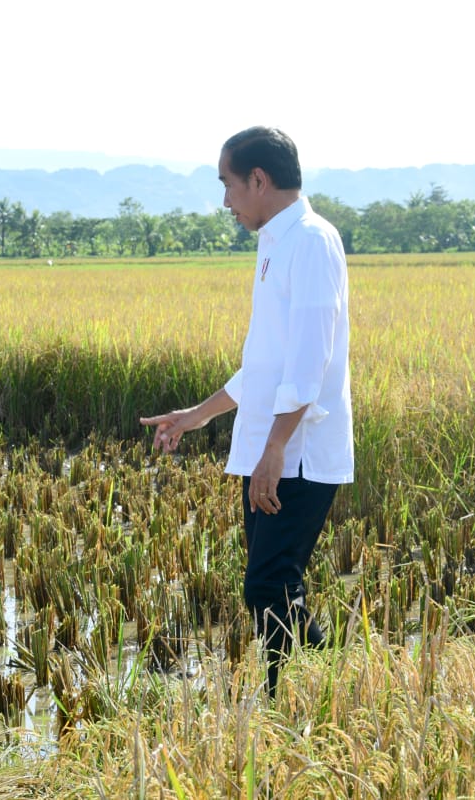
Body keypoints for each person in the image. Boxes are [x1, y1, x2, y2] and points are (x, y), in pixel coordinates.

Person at [141, 127, 353, 696]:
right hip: (271, 446)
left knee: (269, 585)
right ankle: (299, 690)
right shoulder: (275, 242)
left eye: (228, 186)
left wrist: (276, 449)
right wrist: (197, 415)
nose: (226, 202)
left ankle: (310, 686)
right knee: (270, 585)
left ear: (259, 180)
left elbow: (309, 360)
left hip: (298, 454)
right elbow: (264, 365)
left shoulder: (310, 240)